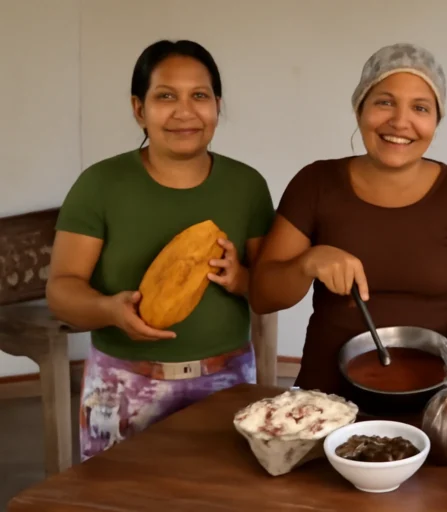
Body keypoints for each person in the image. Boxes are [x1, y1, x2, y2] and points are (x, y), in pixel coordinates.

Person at [46, 40, 275, 461]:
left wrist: (241, 277)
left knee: (222, 498)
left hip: (225, 383)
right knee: (117, 501)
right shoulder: (100, 185)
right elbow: (61, 290)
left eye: (199, 96)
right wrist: (109, 310)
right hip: (121, 387)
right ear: (139, 108)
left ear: (217, 106)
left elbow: (272, 288)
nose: (184, 112)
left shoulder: (247, 186)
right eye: (165, 96)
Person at [249, 43, 447, 409]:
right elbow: (263, 295)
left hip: (438, 400)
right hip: (326, 400)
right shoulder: (315, 183)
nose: (400, 122)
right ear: (359, 108)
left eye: (420, 108)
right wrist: (308, 262)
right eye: (384, 102)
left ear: (436, 120)